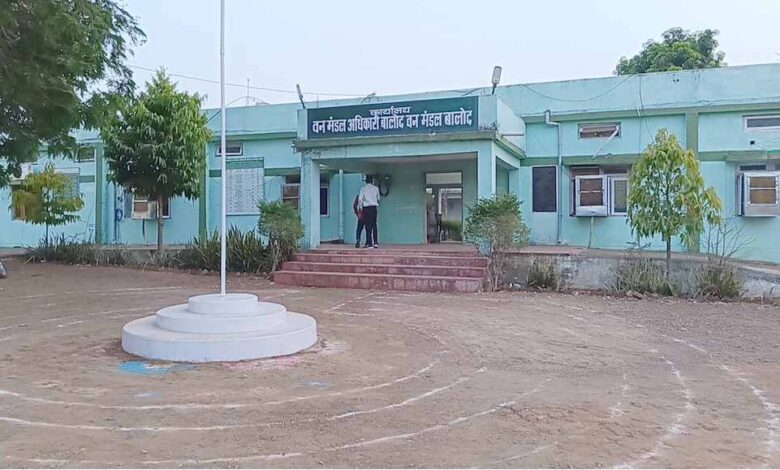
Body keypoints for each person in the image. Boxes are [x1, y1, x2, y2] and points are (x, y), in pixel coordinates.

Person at [358, 175, 380, 248]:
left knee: (368, 226)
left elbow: (360, 199)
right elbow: (378, 199)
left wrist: (360, 208)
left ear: (366, 181)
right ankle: (375, 242)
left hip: (366, 208)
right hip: (373, 208)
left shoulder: (363, 189)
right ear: (372, 181)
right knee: (374, 225)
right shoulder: (376, 188)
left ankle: (369, 243)